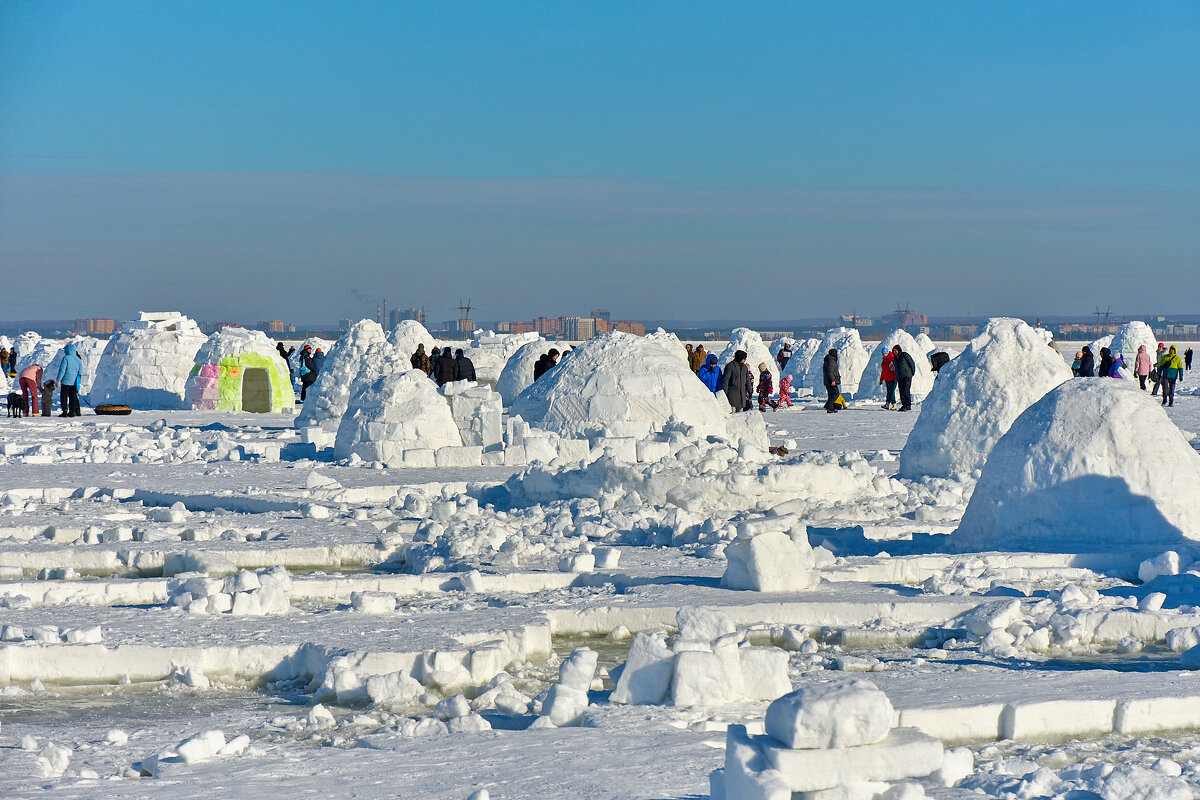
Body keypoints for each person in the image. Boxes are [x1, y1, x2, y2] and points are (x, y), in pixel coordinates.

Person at [55, 342, 83, 417]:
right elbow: (80, 371)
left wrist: (58, 380)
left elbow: (62, 370)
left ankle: (64, 410)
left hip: (65, 381)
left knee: (63, 396)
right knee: (73, 396)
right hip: (74, 382)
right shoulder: (78, 359)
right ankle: (72, 411)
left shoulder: (66, 358)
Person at [892, 345, 916, 411]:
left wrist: (912, 372)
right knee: (901, 392)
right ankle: (904, 405)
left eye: (895, 350)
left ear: (899, 350)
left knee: (906, 391)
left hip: (907, 376)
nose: (894, 352)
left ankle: (908, 405)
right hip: (900, 377)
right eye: (893, 351)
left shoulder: (904, 355)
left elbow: (911, 363)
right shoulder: (895, 359)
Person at [822, 348, 841, 413]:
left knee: (831, 394)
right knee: (835, 394)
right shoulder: (831, 361)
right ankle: (828, 405)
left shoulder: (828, 360)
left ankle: (830, 408)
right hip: (830, 381)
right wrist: (832, 380)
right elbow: (830, 371)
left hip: (828, 380)